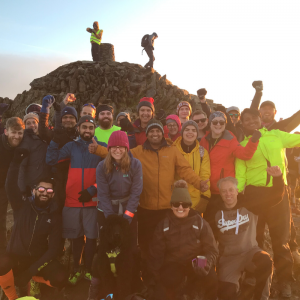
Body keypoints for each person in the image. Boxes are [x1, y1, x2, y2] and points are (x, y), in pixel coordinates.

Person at [235, 108, 300, 297]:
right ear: (243, 124)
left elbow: (297, 139)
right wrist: (238, 194)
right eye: (246, 120)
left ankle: (285, 280)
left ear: (259, 119)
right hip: (254, 196)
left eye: (253, 118)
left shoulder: (276, 135)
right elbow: (240, 173)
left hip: (278, 191)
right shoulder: (243, 145)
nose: (251, 121)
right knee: (256, 239)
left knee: (281, 240)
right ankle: (255, 275)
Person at [46, 116, 108, 285]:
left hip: (93, 200)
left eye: (90, 127)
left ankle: (88, 269)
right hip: (72, 200)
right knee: (76, 237)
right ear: (79, 129)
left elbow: (110, 170)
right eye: (84, 127)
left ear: (94, 129)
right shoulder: (70, 146)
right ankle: (76, 268)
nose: (87, 130)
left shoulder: (101, 148)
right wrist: (54, 142)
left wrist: (93, 188)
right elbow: (51, 160)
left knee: (91, 237)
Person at [206, 168, 284, 300]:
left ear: (237, 191)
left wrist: (278, 178)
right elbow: (208, 238)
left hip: (250, 252)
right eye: (224, 191)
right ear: (220, 193)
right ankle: (238, 289)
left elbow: (274, 198)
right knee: (226, 294)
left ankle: (260, 297)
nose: (228, 194)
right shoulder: (214, 211)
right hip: (228, 258)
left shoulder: (249, 204)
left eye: (231, 190)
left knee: (265, 261)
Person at [1, 149, 68, 299]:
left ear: (53, 194)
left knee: (61, 277)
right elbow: (10, 186)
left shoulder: (55, 215)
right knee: (2, 263)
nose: (45, 192)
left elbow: (53, 249)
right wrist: (15, 163)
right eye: (41, 189)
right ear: (33, 191)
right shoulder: (21, 205)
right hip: (16, 257)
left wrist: (30, 272)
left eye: (49, 190)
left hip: (37, 260)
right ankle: (12, 297)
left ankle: (34, 280)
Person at [87, 131, 143, 300]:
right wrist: (112, 221)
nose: (117, 150)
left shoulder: (135, 165)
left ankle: (130, 286)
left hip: (128, 208)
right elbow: (102, 194)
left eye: (121, 147)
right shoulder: (102, 166)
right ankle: (99, 287)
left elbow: (136, 191)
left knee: (129, 249)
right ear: (109, 148)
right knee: (104, 250)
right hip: (107, 209)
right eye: (114, 147)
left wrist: (126, 218)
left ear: (126, 148)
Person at [147, 180, 218, 300]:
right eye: (176, 204)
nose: (180, 208)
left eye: (185, 204)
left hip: (195, 263)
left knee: (211, 278)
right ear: (171, 206)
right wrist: (154, 279)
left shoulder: (200, 223)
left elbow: (212, 250)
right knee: (163, 286)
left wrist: (205, 263)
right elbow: (156, 254)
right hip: (173, 264)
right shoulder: (164, 224)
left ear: (190, 206)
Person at [200, 111, 260, 199]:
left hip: (224, 189)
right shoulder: (203, 140)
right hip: (206, 188)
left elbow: (245, 154)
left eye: (221, 122)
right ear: (210, 123)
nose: (218, 125)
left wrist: (253, 141)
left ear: (225, 124)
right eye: (215, 122)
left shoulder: (230, 140)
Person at [172, 120, 211, 213]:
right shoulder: (172, 150)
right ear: (182, 132)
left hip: (196, 200)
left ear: (197, 133)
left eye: (194, 130)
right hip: (176, 198)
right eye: (187, 129)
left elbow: (205, 175)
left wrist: (205, 197)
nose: (190, 132)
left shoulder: (202, 152)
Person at [0, 117, 24, 253]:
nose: (17, 136)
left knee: (20, 216)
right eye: (13, 132)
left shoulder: (23, 143)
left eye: (20, 133)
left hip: (17, 185)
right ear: (6, 132)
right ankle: (2, 250)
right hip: (1, 185)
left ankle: (18, 248)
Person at [18, 113, 52, 199]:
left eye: (34, 122)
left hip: (44, 184)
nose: (32, 125)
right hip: (32, 185)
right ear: (24, 126)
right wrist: (22, 189)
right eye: (28, 123)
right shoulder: (26, 141)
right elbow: (21, 166)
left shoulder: (43, 138)